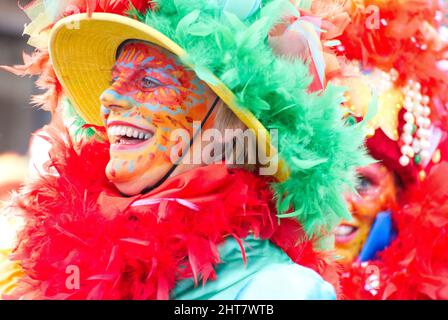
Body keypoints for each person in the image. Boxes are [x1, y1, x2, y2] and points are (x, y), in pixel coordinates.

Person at [0, 0, 368, 300]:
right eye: (113, 81)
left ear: (224, 122)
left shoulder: (279, 291)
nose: (107, 98)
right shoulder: (64, 263)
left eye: (147, 81)